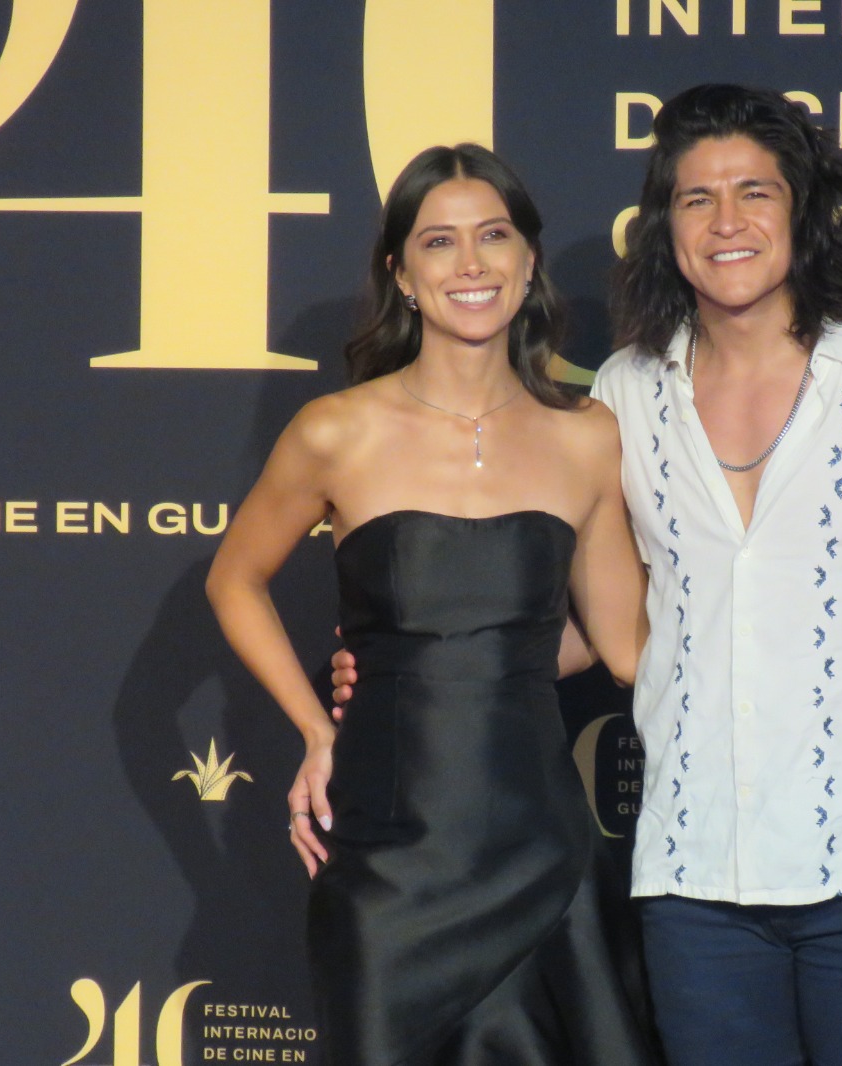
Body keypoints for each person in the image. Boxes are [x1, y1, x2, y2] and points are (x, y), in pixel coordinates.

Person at [335, 86, 842, 1065]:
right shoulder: (628, 393)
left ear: (800, 211)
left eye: (753, 192)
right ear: (662, 224)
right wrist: (424, 671)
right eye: (695, 198)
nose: (727, 224)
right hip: (692, 883)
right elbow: (617, 620)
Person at [207, 143, 658, 1065]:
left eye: (493, 236)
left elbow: (622, 647)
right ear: (401, 274)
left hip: (543, 848)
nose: (470, 264)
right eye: (439, 242)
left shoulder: (587, 436)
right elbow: (233, 580)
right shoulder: (338, 429)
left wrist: (493, 653)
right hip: (390, 858)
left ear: (528, 260)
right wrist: (316, 730)